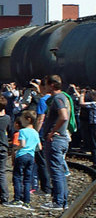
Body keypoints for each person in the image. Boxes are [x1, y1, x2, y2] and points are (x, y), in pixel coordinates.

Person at [41, 75, 71, 210]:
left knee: (56, 171)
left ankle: (58, 202)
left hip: (56, 140)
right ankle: (62, 200)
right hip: (61, 139)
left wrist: (52, 131)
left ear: (52, 85)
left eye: (46, 84)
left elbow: (63, 116)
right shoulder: (64, 98)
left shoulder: (58, 98)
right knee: (59, 170)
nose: (45, 87)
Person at [9, 110, 40, 210]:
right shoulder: (35, 132)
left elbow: (22, 144)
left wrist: (15, 149)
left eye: (22, 118)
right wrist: (31, 148)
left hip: (22, 155)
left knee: (17, 177)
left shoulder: (22, 131)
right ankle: (27, 201)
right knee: (27, 179)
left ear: (28, 119)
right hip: (31, 156)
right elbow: (39, 147)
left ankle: (17, 199)